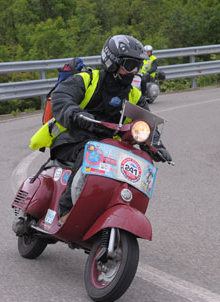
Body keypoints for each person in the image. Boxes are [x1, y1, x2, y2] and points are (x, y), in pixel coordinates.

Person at [49, 35, 172, 222]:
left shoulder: (133, 94)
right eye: (130, 65)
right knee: (90, 152)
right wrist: (76, 113)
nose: (135, 71)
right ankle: (66, 211)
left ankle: (109, 207)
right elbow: (62, 97)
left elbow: (146, 121)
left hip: (108, 146)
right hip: (72, 139)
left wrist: (156, 144)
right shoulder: (88, 80)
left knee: (136, 160)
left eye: (138, 66)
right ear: (113, 62)